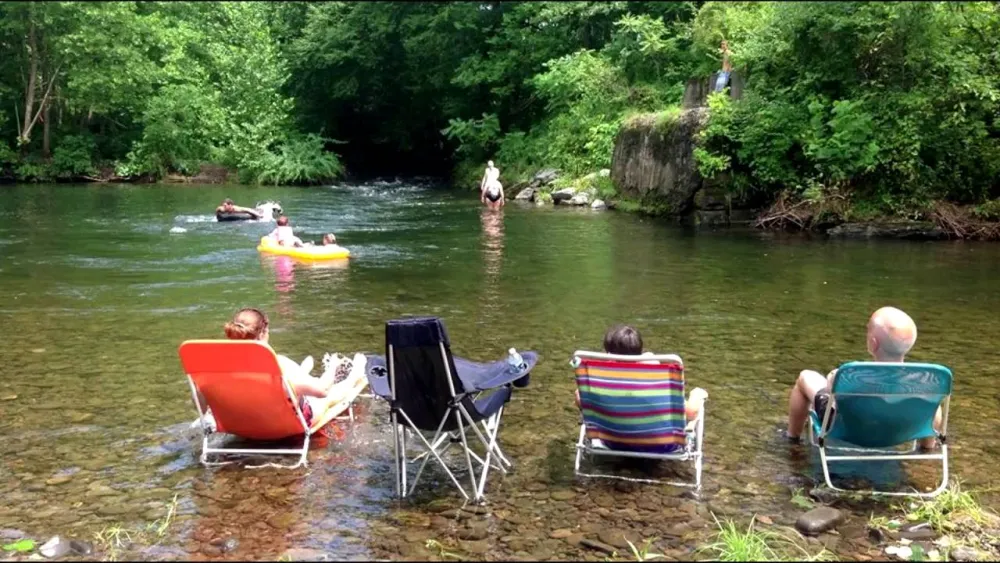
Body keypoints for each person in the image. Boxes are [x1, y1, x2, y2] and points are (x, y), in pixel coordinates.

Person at [785, 306, 942, 449]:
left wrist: (832, 377)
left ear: (873, 344)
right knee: (935, 404)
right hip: (901, 430)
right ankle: (927, 448)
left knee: (805, 377)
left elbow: (828, 391)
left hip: (850, 430)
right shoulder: (926, 380)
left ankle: (792, 439)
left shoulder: (849, 376)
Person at [216, 307, 356, 426]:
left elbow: (206, 398)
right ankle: (355, 375)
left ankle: (302, 373)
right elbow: (322, 391)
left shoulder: (218, 366)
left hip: (245, 425)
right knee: (329, 396)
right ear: (263, 333)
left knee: (289, 384)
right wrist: (333, 366)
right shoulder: (277, 363)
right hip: (286, 425)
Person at [575, 324, 708, 422]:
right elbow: (690, 413)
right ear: (639, 348)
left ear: (609, 352)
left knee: (580, 395)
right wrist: (696, 395)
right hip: (661, 444)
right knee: (697, 394)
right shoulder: (653, 375)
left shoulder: (602, 377)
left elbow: (579, 397)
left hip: (611, 440)